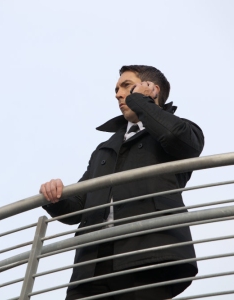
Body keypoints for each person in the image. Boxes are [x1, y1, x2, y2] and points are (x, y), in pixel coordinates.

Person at [40, 65, 204, 300]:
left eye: (126, 86)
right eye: (116, 89)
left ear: (151, 89)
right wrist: (54, 197)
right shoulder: (105, 148)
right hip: (92, 266)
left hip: (148, 256)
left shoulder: (181, 128)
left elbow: (177, 138)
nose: (118, 94)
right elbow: (78, 207)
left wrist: (143, 103)